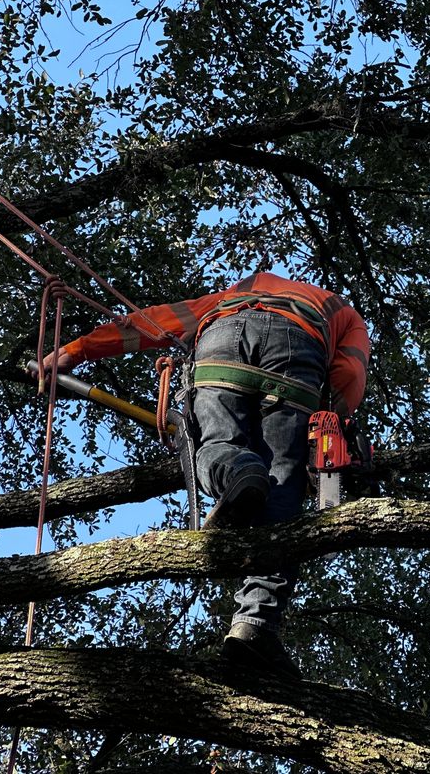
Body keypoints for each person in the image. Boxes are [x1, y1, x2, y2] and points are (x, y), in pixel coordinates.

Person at [39, 271, 370, 680]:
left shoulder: (233, 295)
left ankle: (236, 470)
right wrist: (331, 424)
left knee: (214, 444)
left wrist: (75, 351)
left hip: (220, 339)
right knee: (284, 484)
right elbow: (350, 374)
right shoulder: (344, 313)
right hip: (298, 349)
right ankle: (256, 625)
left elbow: (152, 323)